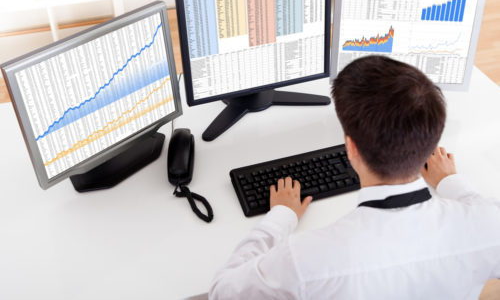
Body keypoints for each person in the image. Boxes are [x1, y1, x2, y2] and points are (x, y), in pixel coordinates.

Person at [208, 55, 500, 299]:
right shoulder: (487, 226)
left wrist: (280, 216)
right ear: (431, 143)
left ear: (351, 147)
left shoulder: (305, 258)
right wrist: (452, 183)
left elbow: (224, 291)